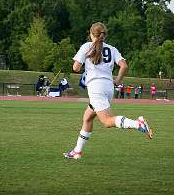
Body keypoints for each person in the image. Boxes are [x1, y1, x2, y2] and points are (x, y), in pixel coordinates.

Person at [63, 22, 153, 160]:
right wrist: (117, 81)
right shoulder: (112, 49)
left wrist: (84, 67)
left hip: (96, 88)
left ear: (91, 34)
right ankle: (77, 151)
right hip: (108, 87)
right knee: (87, 117)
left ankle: (138, 124)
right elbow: (124, 66)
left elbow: (75, 67)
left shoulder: (87, 46)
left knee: (106, 122)